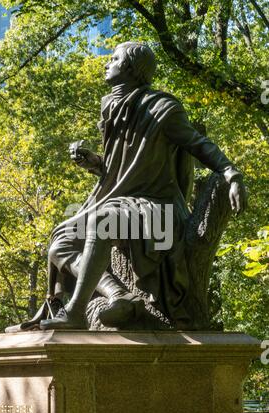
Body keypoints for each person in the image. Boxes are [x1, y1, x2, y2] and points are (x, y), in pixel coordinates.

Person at [21, 42, 247, 331]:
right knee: (60, 242)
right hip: (122, 203)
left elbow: (198, 144)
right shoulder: (111, 107)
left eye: (113, 58)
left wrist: (232, 174)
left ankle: (75, 312)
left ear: (130, 67)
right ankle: (119, 296)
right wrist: (92, 162)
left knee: (102, 220)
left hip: (158, 207)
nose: (107, 62)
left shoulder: (163, 108)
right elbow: (122, 171)